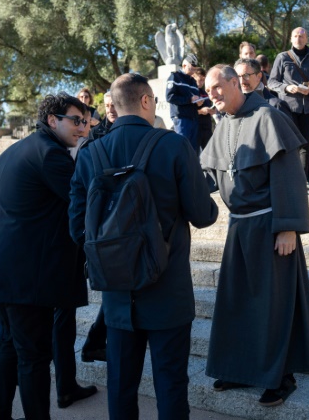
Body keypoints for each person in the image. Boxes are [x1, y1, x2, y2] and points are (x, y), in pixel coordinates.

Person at [69, 73, 218, 419]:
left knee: (121, 387)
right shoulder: (173, 145)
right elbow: (203, 215)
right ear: (147, 100)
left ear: (114, 105)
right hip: (168, 288)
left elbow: (78, 228)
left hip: (117, 293)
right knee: (171, 385)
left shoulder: (90, 153)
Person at [201, 65, 309, 407]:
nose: (212, 94)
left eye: (216, 87)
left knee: (274, 305)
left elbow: (289, 175)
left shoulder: (268, 117)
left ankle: (281, 377)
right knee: (237, 303)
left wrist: (288, 226)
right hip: (239, 227)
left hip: (270, 226)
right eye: (208, 90)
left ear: (234, 82)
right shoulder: (223, 124)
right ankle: (239, 368)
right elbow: (210, 174)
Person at [0, 93, 95, 420]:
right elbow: (83, 201)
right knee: (34, 357)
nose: (83, 128)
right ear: (52, 120)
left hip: (3, 270)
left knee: (13, 347)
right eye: (76, 120)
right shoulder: (50, 154)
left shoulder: (14, 151)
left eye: (86, 121)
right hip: (27, 278)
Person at [268, 27, 309, 184]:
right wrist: (287, 88)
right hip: (287, 107)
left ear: (306, 39)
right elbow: (271, 82)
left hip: (308, 108)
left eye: (301, 36)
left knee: (305, 145)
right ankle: (288, 180)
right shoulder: (282, 57)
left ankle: (303, 181)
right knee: (290, 144)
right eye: (295, 36)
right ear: (291, 39)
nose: (298, 38)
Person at [166, 53, 203, 152]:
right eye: (192, 68)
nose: (194, 71)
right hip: (181, 119)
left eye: (195, 68)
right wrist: (189, 99)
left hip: (194, 118)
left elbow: (194, 98)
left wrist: (199, 102)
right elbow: (170, 97)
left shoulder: (193, 81)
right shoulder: (175, 77)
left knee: (194, 151)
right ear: (184, 65)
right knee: (182, 149)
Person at [192, 66, 216, 153]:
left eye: (203, 80)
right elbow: (186, 112)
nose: (202, 82)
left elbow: (210, 106)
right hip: (195, 127)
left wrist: (212, 110)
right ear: (193, 77)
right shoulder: (190, 92)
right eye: (200, 80)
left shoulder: (205, 92)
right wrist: (201, 111)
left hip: (207, 127)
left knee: (210, 152)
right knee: (195, 153)